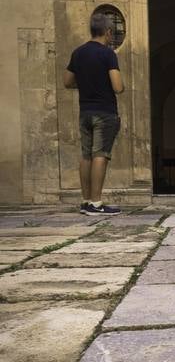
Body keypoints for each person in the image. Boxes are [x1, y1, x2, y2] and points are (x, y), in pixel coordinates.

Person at [63, 12, 124, 215]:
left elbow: (67, 81)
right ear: (107, 32)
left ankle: (86, 200)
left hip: (85, 111)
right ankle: (97, 204)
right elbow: (117, 86)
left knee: (86, 155)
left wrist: (87, 84)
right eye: (111, 33)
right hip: (104, 111)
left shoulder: (78, 53)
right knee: (101, 155)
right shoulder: (108, 54)